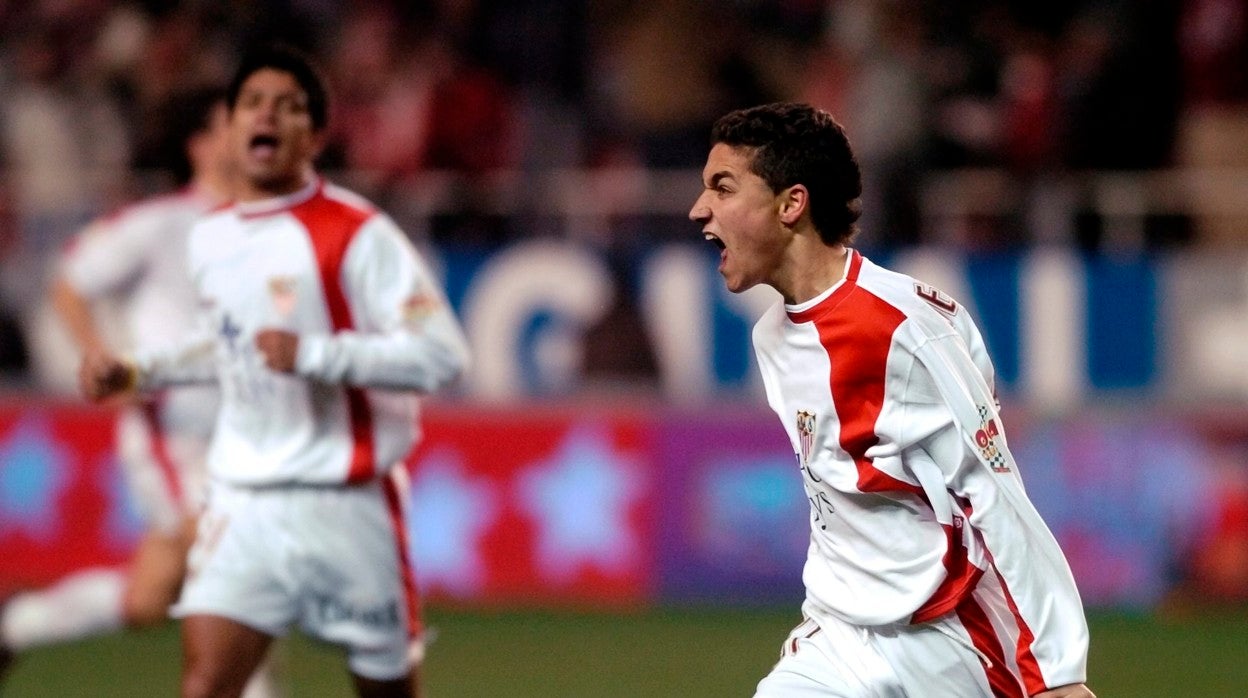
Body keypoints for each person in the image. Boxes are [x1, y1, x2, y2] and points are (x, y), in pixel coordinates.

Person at [79, 44, 469, 698]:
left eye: (289, 107)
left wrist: (317, 355)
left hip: (344, 503)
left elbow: (442, 356)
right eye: (254, 103)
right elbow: (227, 344)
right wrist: (137, 370)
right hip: (244, 499)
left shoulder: (356, 233)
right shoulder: (212, 238)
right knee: (206, 686)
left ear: (314, 135)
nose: (269, 116)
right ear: (228, 129)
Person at [688, 102, 1095, 698]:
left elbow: (994, 494)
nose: (700, 209)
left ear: (790, 204)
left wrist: (1057, 676)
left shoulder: (900, 331)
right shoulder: (772, 334)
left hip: (950, 642)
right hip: (840, 639)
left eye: (722, 188)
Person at [1, 87, 279, 697]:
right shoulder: (159, 224)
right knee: (232, 561)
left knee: (152, 598)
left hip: (245, 434)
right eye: (231, 123)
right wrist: (100, 357)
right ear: (201, 146)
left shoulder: (270, 230)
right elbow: (69, 281)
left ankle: (18, 623)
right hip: (172, 429)